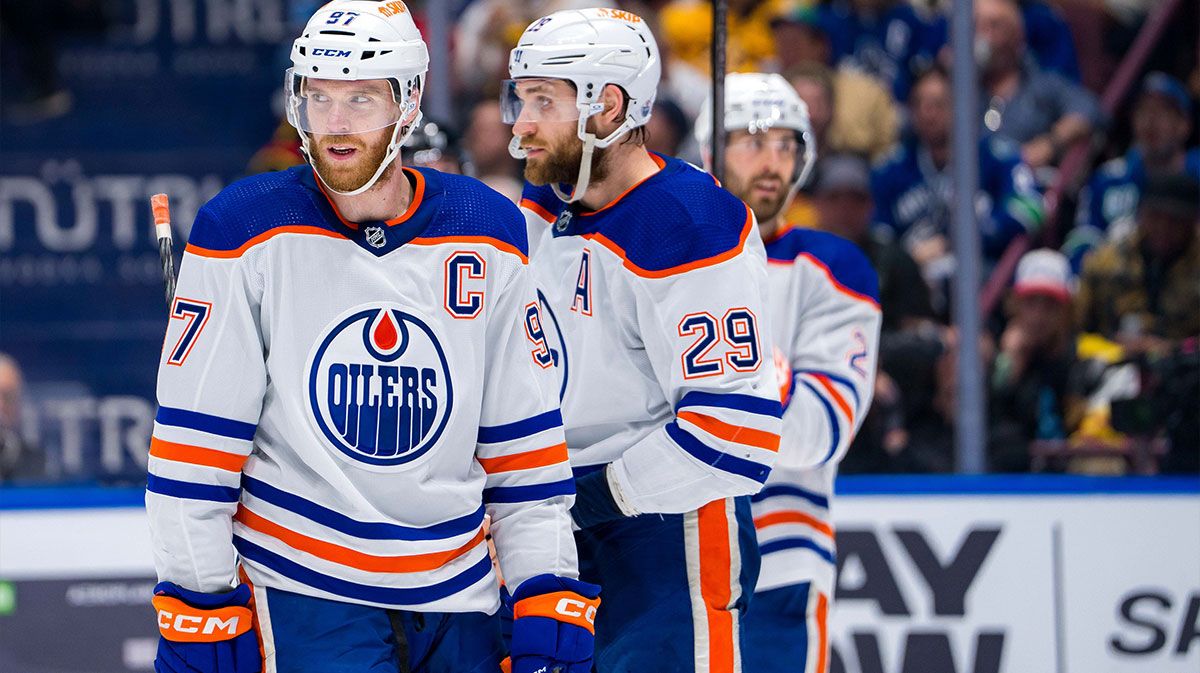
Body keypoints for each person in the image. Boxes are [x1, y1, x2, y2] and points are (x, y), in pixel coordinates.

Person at [147, 3, 596, 673]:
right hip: (304, 594)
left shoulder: (489, 228)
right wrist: (199, 596)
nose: (335, 124)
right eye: (318, 97)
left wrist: (546, 585)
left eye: (360, 97)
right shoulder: (243, 226)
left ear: (409, 100)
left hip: (458, 599)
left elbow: (525, 448)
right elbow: (193, 450)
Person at [505, 9, 782, 672]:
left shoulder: (691, 223)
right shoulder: (541, 209)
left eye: (543, 100)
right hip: (557, 537)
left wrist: (590, 497)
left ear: (609, 106)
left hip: (668, 540)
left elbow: (733, 433)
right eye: (520, 99)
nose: (520, 124)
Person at [695, 74, 881, 673]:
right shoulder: (654, 254)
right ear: (709, 151)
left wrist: (737, 374)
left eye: (785, 144)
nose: (771, 162)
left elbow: (816, 433)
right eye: (750, 142)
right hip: (670, 559)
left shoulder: (833, 267)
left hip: (783, 557)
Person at [872, 64, 1043, 317]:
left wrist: (957, 240)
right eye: (920, 105)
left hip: (979, 278)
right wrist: (904, 261)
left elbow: (1032, 209)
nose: (928, 114)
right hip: (912, 285)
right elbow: (877, 233)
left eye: (938, 104)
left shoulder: (995, 156)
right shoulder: (891, 168)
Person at [1070, 72, 1200, 270]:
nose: (1150, 121)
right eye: (1143, 110)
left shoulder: (1196, 172)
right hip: (1119, 284)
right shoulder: (1108, 178)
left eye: (1162, 111)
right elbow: (1084, 240)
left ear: (1184, 124)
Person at [1076, 171, 1200, 351]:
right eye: (1156, 217)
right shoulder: (1105, 263)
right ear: (1142, 212)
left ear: (1192, 222)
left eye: (1175, 220)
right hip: (1111, 363)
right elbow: (1075, 329)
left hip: (1188, 369)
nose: (1164, 228)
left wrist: (1170, 349)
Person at [975, 0, 1103, 170]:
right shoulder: (959, 88)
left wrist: (1048, 144)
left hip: (1023, 185)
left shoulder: (1042, 84)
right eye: (976, 26)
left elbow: (1089, 109)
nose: (983, 36)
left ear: (1017, 35)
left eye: (994, 26)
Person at [988, 249, 1083, 472]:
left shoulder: (1081, 358)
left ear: (1067, 309)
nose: (1038, 316)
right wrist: (1009, 368)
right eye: (1031, 302)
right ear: (1014, 304)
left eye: (1050, 304)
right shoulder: (995, 353)